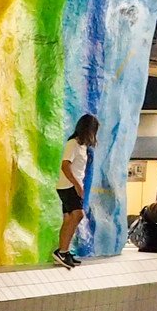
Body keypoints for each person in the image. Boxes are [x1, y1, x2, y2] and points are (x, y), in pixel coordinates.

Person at [53, 114, 100, 267]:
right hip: (68, 186)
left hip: (71, 185)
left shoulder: (82, 146)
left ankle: (63, 251)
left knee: (68, 218)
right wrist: (77, 185)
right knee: (78, 215)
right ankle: (62, 251)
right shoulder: (72, 144)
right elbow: (65, 165)